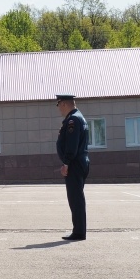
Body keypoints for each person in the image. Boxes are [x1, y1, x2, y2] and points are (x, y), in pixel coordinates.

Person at [56, 94, 90, 241]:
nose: (58, 109)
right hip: (80, 162)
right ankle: (79, 230)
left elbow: (72, 145)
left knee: (75, 199)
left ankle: (79, 232)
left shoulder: (73, 120)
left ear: (63, 104)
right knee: (76, 198)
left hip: (75, 164)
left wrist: (66, 163)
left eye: (58, 105)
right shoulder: (77, 117)